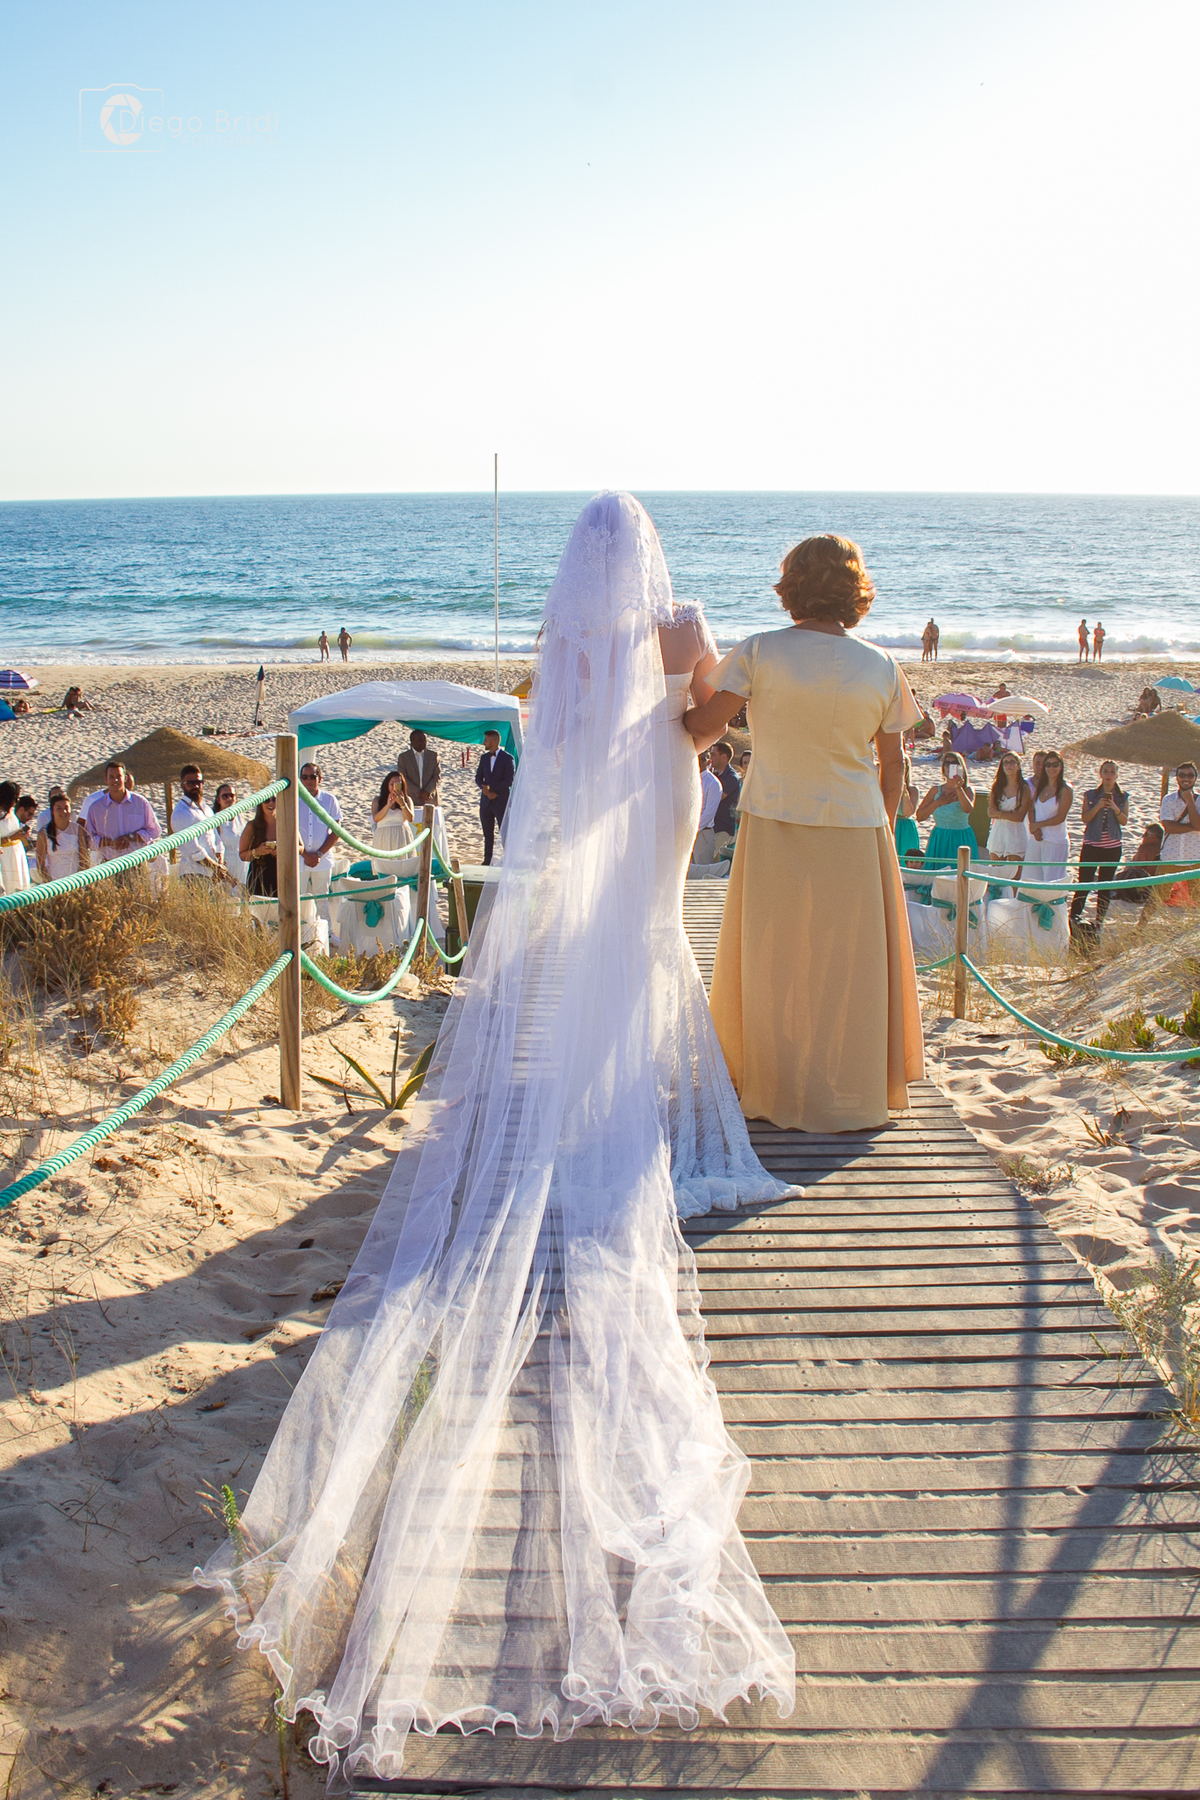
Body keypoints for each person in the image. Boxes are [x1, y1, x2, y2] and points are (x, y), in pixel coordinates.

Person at [197, 491, 797, 1780]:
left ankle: (599, 1131)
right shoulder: (682, 617)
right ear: (649, 558)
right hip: (665, 805)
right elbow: (709, 710)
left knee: (614, 966)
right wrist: (706, 709)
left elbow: (559, 748)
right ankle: (641, 1136)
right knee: (648, 957)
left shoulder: (563, 650)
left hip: (604, 816)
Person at [685, 531, 924, 1134]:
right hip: (857, 826)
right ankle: (849, 1085)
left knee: (770, 956)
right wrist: (887, 832)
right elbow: (892, 766)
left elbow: (703, 726)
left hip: (776, 821)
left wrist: (664, 701)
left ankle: (772, 1082)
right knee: (849, 963)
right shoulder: (882, 664)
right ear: (853, 590)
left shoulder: (761, 651)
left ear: (791, 587)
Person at [1069, 761, 1128, 928]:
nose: (1109, 775)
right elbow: (1085, 818)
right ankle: (1074, 917)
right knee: (1085, 883)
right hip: (1092, 844)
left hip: (1112, 847)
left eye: (1112, 772)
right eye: (1105, 771)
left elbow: (1124, 820)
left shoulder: (1123, 796)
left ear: (1117, 774)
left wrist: (1115, 808)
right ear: (1100, 774)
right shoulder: (1091, 795)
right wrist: (1099, 806)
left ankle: (1099, 921)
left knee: (1105, 885)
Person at [81, 761, 161, 870]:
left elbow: (154, 831)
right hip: (108, 866)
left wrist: (131, 837)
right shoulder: (96, 807)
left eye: (119, 776)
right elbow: (89, 839)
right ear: (106, 780)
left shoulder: (141, 803)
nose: (115, 780)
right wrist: (111, 843)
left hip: (137, 863)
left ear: (125, 778)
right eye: (111, 777)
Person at [916, 751, 978, 869]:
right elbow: (920, 816)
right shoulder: (936, 790)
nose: (950, 766)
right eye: (947, 763)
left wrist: (959, 789)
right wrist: (938, 802)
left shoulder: (968, 790)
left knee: (960, 875)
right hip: (940, 837)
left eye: (954, 763)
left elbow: (967, 809)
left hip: (961, 836)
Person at [171, 764, 228, 885]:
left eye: (199, 782)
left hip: (214, 873)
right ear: (183, 786)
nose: (196, 786)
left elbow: (216, 838)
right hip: (193, 874)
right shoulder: (181, 812)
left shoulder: (206, 809)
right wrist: (215, 867)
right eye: (191, 783)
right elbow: (193, 851)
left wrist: (220, 862)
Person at [297, 761, 341, 911]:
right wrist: (304, 854)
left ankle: (327, 933)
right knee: (299, 899)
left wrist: (319, 854)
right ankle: (302, 933)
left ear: (319, 778)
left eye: (312, 776)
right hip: (299, 858)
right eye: (304, 777)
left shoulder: (329, 800)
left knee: (321, 899)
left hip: (322, 858)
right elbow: (289, 829)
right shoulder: (294, 800)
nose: (308, 780)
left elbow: (337, 830)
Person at [1025, 750, 1073, 881]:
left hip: (1055, 840)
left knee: (1051, 881)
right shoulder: (1042, 786)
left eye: (1055, 765)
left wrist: (1038, 825)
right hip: (1037, 839)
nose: (1051, 768)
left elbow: (1060, 817)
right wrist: (1034, 828)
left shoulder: (1065, 789)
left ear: (1061, 766)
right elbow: (1032, 808)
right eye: (1048, 765)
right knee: (1030, 878)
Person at [1159, 761, 1200, 903]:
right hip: (1170, 856)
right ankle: (1140, 926)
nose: (1186, 778)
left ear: (1196, 777)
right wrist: (1194, 826)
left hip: (1194, 858)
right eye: (1182, 775)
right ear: (1176, 777)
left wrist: (1190, 802)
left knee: (1198, 898)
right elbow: (1169, 827)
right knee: (1156, 898)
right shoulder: (1169, 799)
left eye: (1190, 775)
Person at [986, 752, 1030, 881]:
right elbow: (990, 812)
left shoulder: (1024, 788)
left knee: (1014, 877)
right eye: (1005, 762)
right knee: (996, 875)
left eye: (1012, 762)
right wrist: (1009, 814)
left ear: (1018, 766)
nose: (1008, 765)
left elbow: (1019, 817)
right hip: (999, 832)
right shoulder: (997, 787)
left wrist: (999, 814)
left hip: (1016, 833)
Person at [475, 728, 515, 864]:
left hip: (500, 801)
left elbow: (509, 781)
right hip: (486, 802)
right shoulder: (484, 758)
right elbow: (478, 777)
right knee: (487, 833)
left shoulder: (508, 758)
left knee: (504, 832)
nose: (484, 743)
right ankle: (487, 860)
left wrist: (492, 788)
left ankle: (509, 858)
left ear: (493, 741)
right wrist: (485, 790)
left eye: (486, 741)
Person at [370, 770, 415, 874]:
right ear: (387, 785)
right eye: (392, 784)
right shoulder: (378, 800)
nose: (395, 787)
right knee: (384, 870)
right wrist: (388, 805)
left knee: (404, 870)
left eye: (398, 784)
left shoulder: (408, 800)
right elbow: (376, 818)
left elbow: (410, 818)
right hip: (384, 836)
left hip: (402, 836)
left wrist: (402, 803)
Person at [239, 795, 278, 896]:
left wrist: (283, 849)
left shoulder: (286, 823)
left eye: (274, 799)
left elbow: (300, 847)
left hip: (283, 875)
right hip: (259, 876)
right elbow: (242, 855)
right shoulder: (252, 826)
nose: (271, 803)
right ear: (260, 803)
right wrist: (257, 852)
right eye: (266, 800)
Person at [35, 794, 80, 881]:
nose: (64, 812)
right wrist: (49, 883)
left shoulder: (78, 829)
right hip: (55, 881)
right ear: (52, 811)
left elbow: (84, 859)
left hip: (76, 881)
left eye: (66, 808)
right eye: (59, 808)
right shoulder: (44, 833)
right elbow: (40, 864)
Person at [1116, 822, 1164, 903]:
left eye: (1145, 834)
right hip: (1159, 885)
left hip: (1144, 886)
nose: (1143, 837)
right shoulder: (1164, 847)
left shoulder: (1145, 848)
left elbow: (1139, 868)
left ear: (1153, 837)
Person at [708, 739, 741, 854]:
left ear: (724, 757)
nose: (710, 757)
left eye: (713, 754)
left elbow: (716, 797)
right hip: (712, 827)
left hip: (723, 828)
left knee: (713, 860)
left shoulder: (731, 778)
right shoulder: (714, 775)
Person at [213, 783, 248, 886]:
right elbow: (215, 848)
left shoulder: (240, 816)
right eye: (224, 796)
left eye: (231, 795)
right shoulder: (216, 820)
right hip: (227, 866)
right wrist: (228, 876)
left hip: (242, 865)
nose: (229, 798)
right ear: (218, 800)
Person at [692, 749, 723, 864]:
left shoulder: (713, 783)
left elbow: (709, 813)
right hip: (688, 833)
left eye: (702, 758)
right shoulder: (687, 779)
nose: (699, 761)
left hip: (703, 833)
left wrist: (694, 828)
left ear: (708, 761)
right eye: (697, 758)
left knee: (702, 871)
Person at [397, 729, 441, 807]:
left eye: (424, 740)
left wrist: (427, 791)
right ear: (412, 742)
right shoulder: (404, 757)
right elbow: (403, 777)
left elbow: (436, 776)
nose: (423, 742)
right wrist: (418, 792)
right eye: (419, 740)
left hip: (430, 799)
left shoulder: (433, 756)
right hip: (411, 798)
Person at [0, 781, 31, 893]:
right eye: (15, 797)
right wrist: (12, 838)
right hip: (5, 855)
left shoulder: (12, 812)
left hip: (17, 852)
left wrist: (21, 833)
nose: (17, 801)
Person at [894, 753, 920, 862]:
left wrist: (904, 791)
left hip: (905, 828)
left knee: (906, 862)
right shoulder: (884, 788)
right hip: (891, 824)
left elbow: (907, 812)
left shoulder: (912, 790)